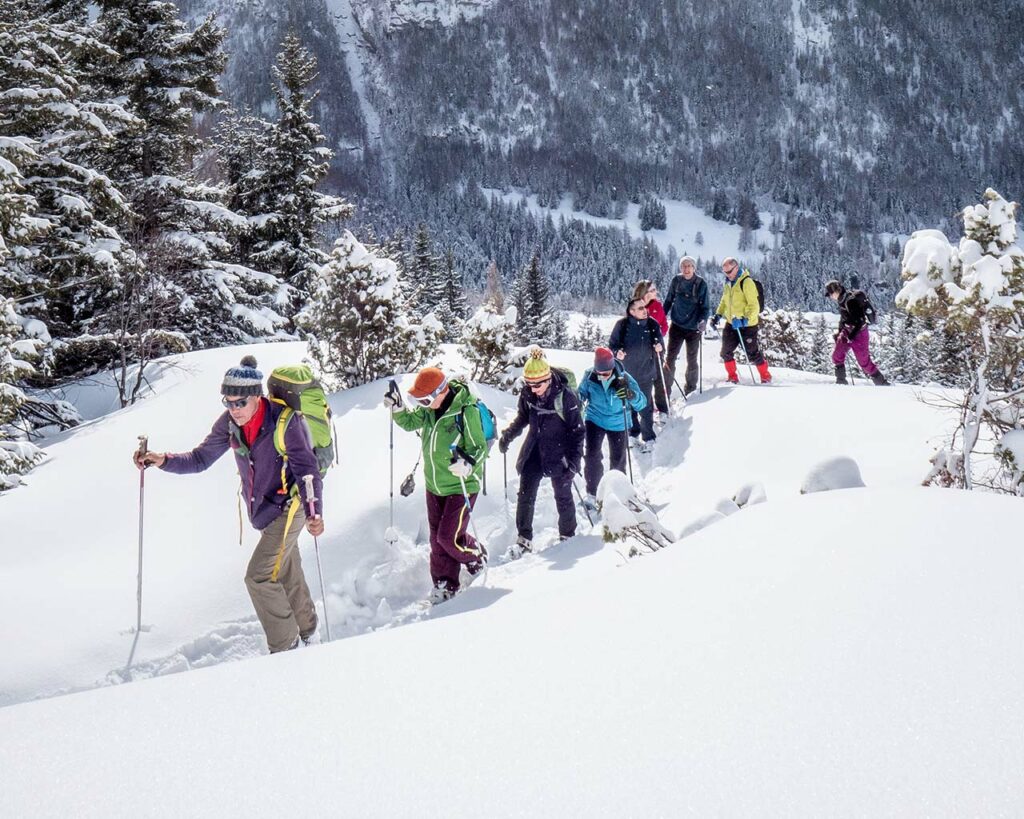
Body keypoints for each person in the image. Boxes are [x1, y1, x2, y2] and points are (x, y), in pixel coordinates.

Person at [132, 356, 324, 654]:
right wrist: (163, 460)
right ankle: (310, 633)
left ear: (257, 396)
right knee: (285, 568)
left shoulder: (285, 422)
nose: (234, 409)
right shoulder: (230, 424)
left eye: (240, 402)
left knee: (259, 576)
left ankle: (286, 648)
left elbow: (308, 470)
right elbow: (200, 459)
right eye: (228, 402)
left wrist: (315, 513)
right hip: (263, 510)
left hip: (291, 506)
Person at [384, 366, 488, 603]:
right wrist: (399, 408)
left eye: (424, 399)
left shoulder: (466, 410)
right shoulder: (430, 410)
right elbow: (410, 423)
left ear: (441, 391)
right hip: (434, 485)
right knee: (436, 540)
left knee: (448, 538)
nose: (421, 403)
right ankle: (445, 583)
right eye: (417, 399)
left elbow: (479, 447)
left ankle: (476, 556)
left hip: (461, 485)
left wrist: (468, 464)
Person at [498, 349, 585, 557]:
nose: (533, 388)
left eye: (537, 384)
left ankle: (568, 536)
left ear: (547, 379)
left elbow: (578, 431)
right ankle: (524, 539)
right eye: (529, 383)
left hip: (560, 451)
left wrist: (574, 462)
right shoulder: (528, 394)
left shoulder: (566, 397)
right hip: (535, 449)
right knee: (526, 494)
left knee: (562, 494)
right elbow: (523, 417)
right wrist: (508, 435)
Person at [577, 346, 646, 507]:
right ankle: (592, 494)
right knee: (592, 456)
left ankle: (618, 494)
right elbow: (581, 393)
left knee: (618, 459)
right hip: (595, 419)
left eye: (606, 373)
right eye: (599, 373)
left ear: (612, 367)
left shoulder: (624, 378)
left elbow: (642, 402)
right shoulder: (589, 376)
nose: (602, 376)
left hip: (618, 422)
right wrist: (577, 399)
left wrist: (630, 395)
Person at [609, 297, 665, 452]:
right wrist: (616, 353)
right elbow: (612, 345)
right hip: (626, 373)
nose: (645, 310)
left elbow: (660, 342)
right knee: (629, 405)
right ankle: (633, 433)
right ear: (631, 311)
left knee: (645, 406)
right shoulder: (622, 325)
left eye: (644, 307)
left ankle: (649, 437)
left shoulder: (652, 324)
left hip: (646, 372)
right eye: (640, 308)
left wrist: (660, 347)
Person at [710, 257, 772, 384]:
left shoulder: (747, 282)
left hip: (748, 326)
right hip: (731, 323)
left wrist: (744, 320)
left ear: (736, 268)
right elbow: (724, 301)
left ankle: (766, 376)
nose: (727, 275)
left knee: (752, 353)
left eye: (729, 271)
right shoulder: (728, 283)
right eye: (725, 272)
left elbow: (754, 306)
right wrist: (718, 315)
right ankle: (732, 378)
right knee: (725, 352)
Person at [662, 255, 710, 397]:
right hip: (676, 326)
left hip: (693, 329)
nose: (686, 269)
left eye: (689, 266)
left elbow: (705, 307)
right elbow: (669, 300)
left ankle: (690, 390)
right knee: (670, 357)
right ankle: (665, 391)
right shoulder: (676, 281)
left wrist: (703, 321)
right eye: (683, 266)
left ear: (694, 268)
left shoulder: (701, 284)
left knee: (692, 359)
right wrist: (660, 317)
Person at [825, 280, 888, 385]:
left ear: (836, 291)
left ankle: (882, 383)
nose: (831, 297)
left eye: (831, 294)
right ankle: (841, 382)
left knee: (864, 362)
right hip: (848, 331)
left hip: (860, 333)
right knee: (837, 355)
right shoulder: (842, 300)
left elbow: (860, 321)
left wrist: (850, 336)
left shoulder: (850, 301)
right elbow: (844, 318)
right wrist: (839, 333)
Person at [632, 279, 670, 414]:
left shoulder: (657, 306)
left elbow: (664, 325)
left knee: (659, 378)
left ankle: (663, 408)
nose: (656, 292)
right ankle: (647, 407)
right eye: (652, 290)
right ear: (644, 293)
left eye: (655, 289)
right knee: (644, 379)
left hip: (657, 346)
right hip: (641, 348)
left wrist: (658, 336)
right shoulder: (635, 307)